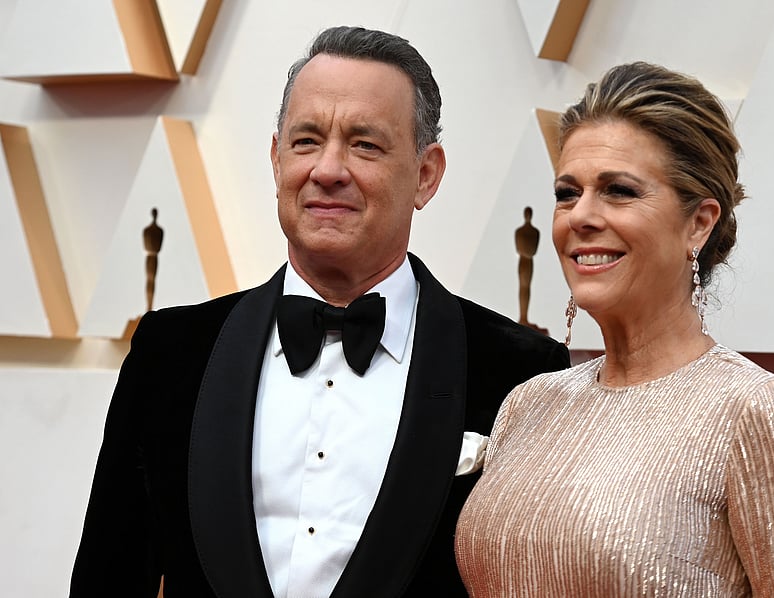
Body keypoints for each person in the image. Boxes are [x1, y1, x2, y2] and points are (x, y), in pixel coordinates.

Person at [69, 26, 569, 598]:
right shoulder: (170, 351)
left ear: (426, 175)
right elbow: (107, 577)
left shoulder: (522, 376)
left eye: (364, 144)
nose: (328, 169)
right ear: (276, 156)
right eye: (307, 141)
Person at [455, 62, 774, 596]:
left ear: (699, 222)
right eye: (567, 193)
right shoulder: (528, 405)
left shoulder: (754, 412)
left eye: (618, 190)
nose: (581, 216)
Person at [143, 207, 163, 313]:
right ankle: (148, 305)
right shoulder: (147, 230)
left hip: (153, 257)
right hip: (151, 257)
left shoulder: (159, 230)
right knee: (149, 280)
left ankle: (150, 305)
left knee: (152, 280)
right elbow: (147, 246)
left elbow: (157, 247)